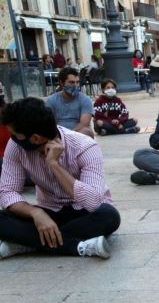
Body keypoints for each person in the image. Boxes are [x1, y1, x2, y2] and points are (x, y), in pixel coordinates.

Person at [0, 97, 120, 259]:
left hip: (82, 212)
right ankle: (77, 246)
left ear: (35, 138)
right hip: (49, 210)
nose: (12, 138)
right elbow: (7, 192)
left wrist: (54, 164)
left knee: (109, 216)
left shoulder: (84, 146)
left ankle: (25, 243)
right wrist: (35, 213)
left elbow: (93, 202)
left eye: (15, 135)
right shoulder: (16, 147)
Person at [45, 68, 94, 139]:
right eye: (71, 82)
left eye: (77, 82)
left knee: (86, 131)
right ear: (61, 83)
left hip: (79, 134)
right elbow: (49, 124)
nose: (75, 85)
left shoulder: (85, 99)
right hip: (59, 134)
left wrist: (67, 137)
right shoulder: (51, 100)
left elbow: (84, 124)